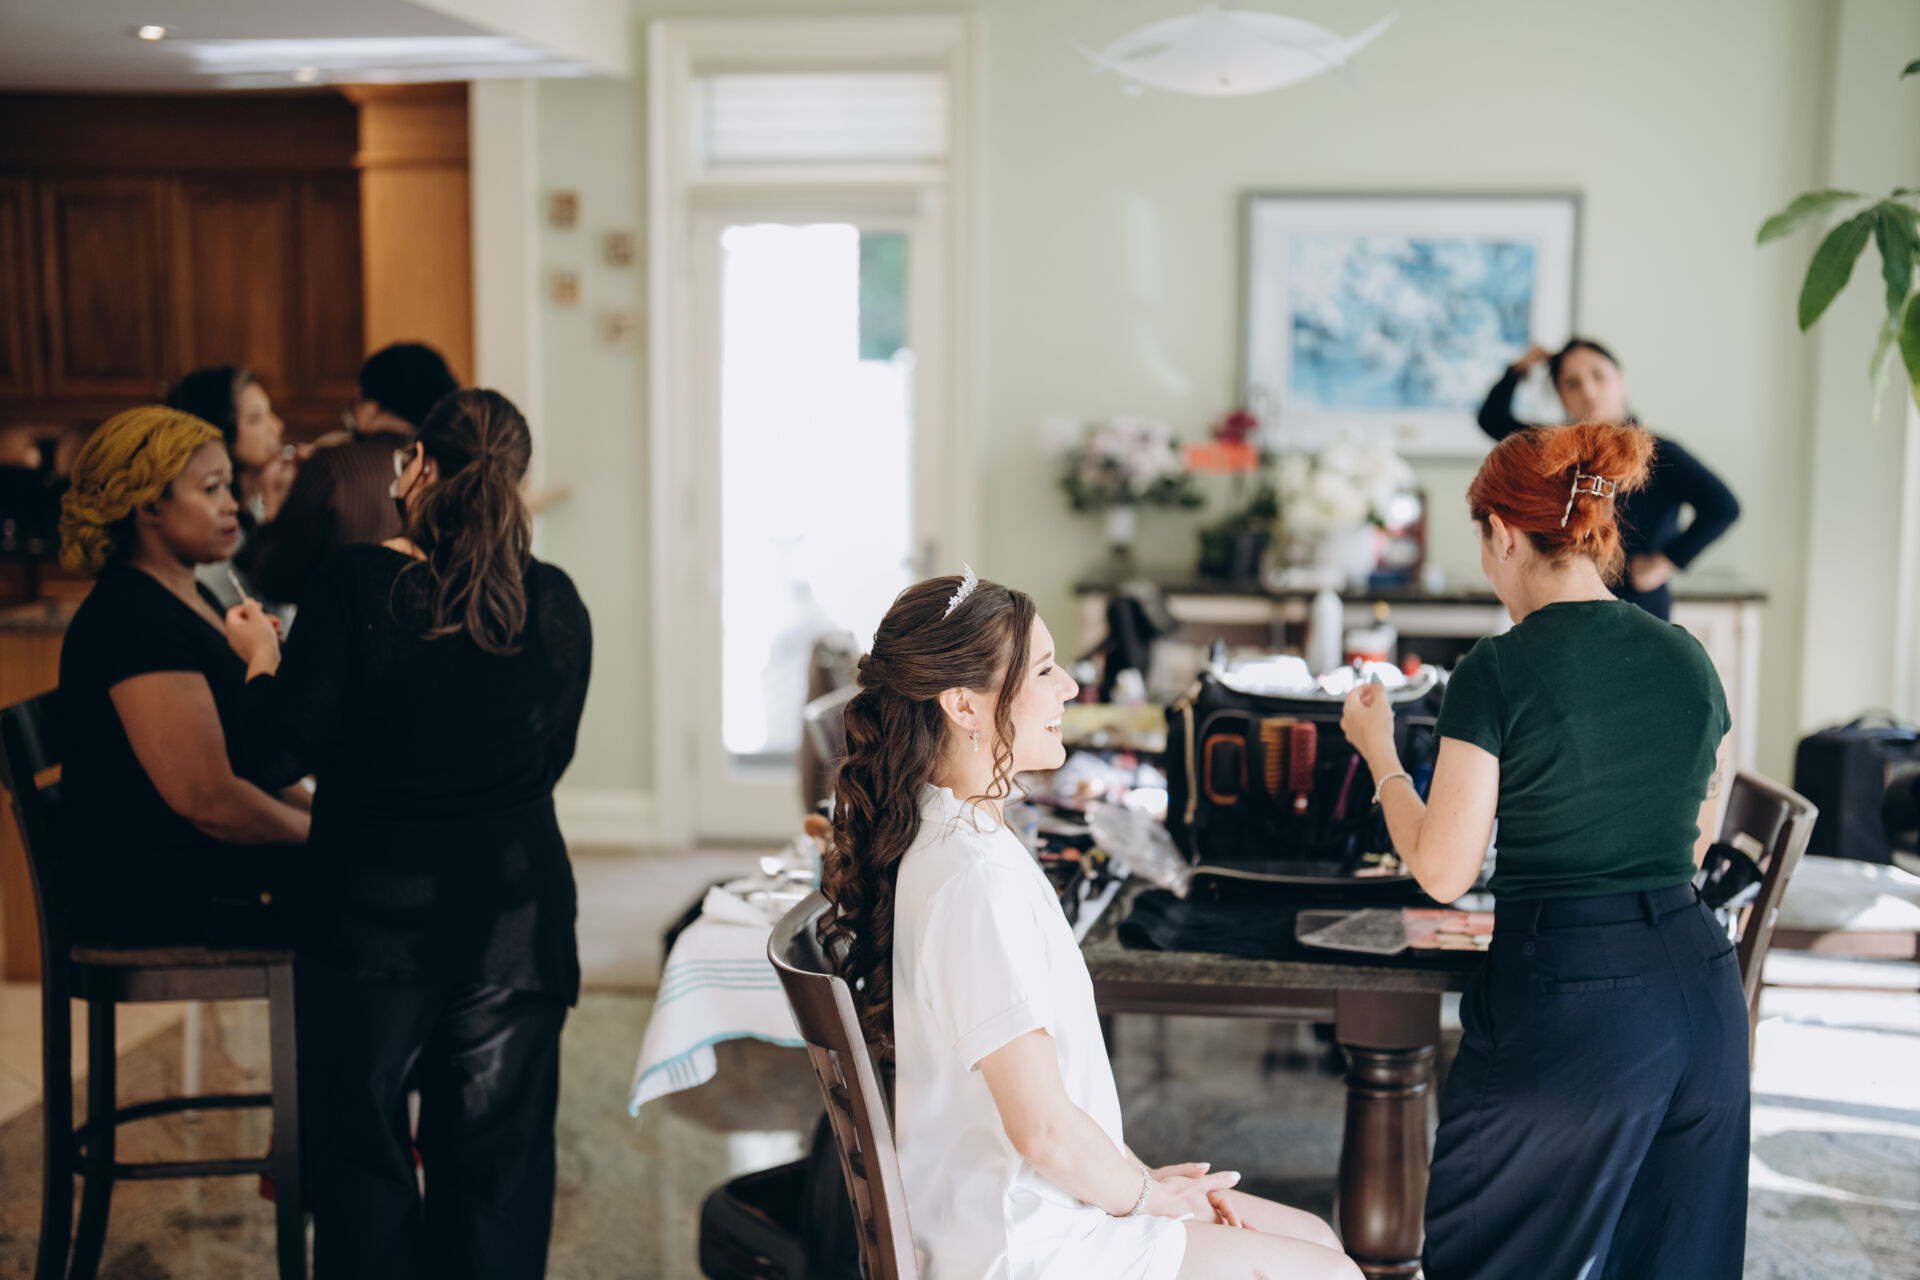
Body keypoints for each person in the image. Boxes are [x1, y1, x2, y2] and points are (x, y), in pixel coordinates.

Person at [818, 572, 1361, 1280]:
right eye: (1044, 671)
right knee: (1330, 1272)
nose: (1070, 687)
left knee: (1315, 1236)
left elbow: (1059, 1110)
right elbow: (1042, 1129)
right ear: (963, 705)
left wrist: (1144, 1181)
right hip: (1021, 1247)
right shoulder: (974, 880)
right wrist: (1150, 1200)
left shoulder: (957, 832)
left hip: (1037, 1206)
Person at [1339, 422, 1744, 1279]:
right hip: (1703, 988)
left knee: (1493, 1258)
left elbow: (1443, 871)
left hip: (1575, 1001)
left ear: (1501, 533)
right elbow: (1695, 837)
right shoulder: (1688, 656)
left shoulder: (1497, 669)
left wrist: (1379, 754)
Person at [225, 388, 589, 1280]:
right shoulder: (552, 600)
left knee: (364, 1172)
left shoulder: (355, 584)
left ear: (417, 465)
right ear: (515, 480)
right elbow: (548, 758)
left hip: (369, 928)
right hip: (515, 929)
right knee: (497, 1182)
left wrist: (261, 661)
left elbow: (274, 755)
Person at [56, 406, 308, 943]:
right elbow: (208, 799)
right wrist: (321, 834)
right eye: (212, 488)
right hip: (161, 896)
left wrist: (333, 818)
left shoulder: (194, 598)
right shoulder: (133, 620)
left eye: (229, 485)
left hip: (206, 873)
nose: (232, 504)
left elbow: (254, 760)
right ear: (149, 505)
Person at [1478, 337, 1740, 620]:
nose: (1588, 390)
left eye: (1598, 376)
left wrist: (1665, 562)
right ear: (1561, 396)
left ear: (1620, 380)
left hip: (1639, 610)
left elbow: (1723, 506)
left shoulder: (1658, 453)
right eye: (1572, 384)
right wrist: (1518, 370)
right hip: (1568, 608)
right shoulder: (1557, 449)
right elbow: (1492, 420)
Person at [236, 341, 459, 606]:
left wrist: (273, 509)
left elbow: (277, 580)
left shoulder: (332, 466)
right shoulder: (454, 469)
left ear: (371, 405)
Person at [164, 364, 297, 608]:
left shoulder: (258, 504)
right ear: (220, 429)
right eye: (256, 418)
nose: (277, 426)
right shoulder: (209, 526)